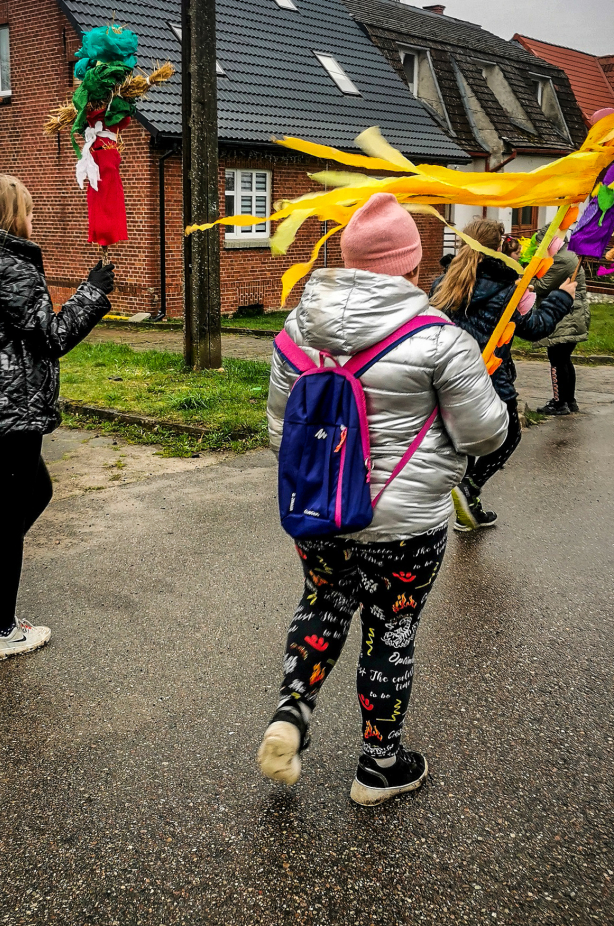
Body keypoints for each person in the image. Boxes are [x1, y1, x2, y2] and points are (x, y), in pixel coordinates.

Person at [258, 193, 509, 805]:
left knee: (322, 602)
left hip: (319, 513)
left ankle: (292, 711)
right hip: (407, 526)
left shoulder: (296, 329)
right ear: (410, 264)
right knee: (390, 630)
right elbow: (486, 435)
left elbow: (278, 430)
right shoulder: (440, 340)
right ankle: (378, 767)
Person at [0, 174, 115, 662]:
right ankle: (3, 631)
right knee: (10, 516)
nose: (32, 221)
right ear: (13, 215)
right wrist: (92, 295)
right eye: (29, 212)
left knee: (39, 490)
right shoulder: (11, 265)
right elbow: (52, 337)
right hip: (9, 410)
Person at [430, 219, 576, 532]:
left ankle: (467, 508)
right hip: (490, 381)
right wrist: (563, 297)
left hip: (450, 380)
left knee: (465, 443)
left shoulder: (442, 283)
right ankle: (470, 488)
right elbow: (535, 328)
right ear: (497, 248)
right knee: (508, 436)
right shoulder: (508, 290)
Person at [529, 227, 590, 416]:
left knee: (556, 359)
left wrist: (527, 281)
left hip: (565, 316)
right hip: (572, 314)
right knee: (564, 359)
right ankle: (569, 400)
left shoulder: (561, 259)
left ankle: (559, 402)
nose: (540, 248)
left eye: (541, 244)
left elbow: (543, 285)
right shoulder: (568, 254)